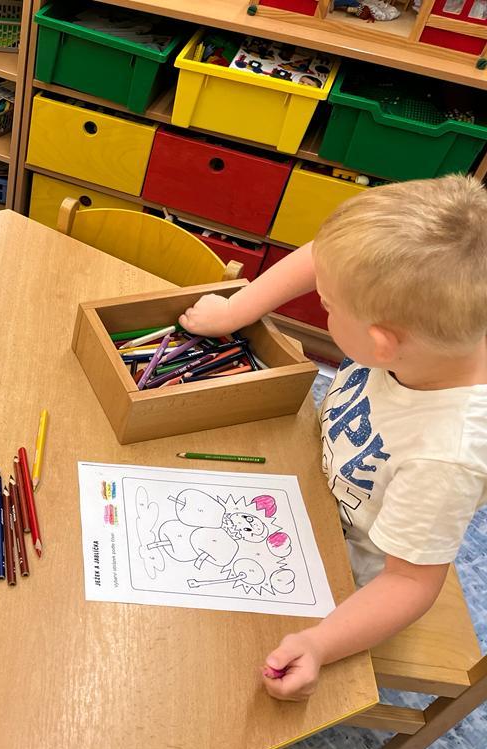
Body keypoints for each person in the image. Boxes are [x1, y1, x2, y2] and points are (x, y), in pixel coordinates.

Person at [179, 175, 487, 701]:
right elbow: (323, 257)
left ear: (381, 345)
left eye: (328, 306)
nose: (322, 304)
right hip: (309, 469)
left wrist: (320, 643)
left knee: (207, 647)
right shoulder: (442, 328)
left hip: (345, 567)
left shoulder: (446, 458)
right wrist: (235, 310)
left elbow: (410, 584)